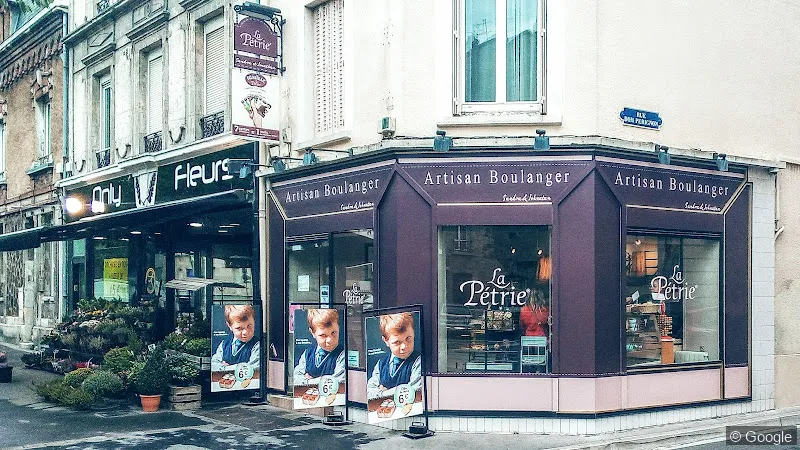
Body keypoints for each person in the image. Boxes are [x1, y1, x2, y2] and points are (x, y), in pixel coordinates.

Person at [366, 312, 422, 400]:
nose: (404, 346)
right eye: (397, 342)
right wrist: (398, 390)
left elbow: (413, 392)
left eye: (408, 338)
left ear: (414, 333)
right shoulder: (381, 364)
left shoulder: (418, 362)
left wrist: (383, 393)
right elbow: (369, 392)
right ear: (386, 341)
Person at [293, 308, 346, 386]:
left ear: (338, 328)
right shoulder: (307, 354)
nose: (329, 340)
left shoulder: (343, 355)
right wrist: (324, 380)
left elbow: (338, 383)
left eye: (333, 333)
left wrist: (308, 381)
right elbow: (295, 379)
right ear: (312, 333)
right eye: (323, 335)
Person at [211, 304, 260, 372]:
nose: (245, 332)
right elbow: (213, 365)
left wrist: (225, 368)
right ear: (229, 326)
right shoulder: (224, 344)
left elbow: (253, 368)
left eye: (249, 326)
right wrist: (243, 366)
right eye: (239, 328)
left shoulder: (257, 345)